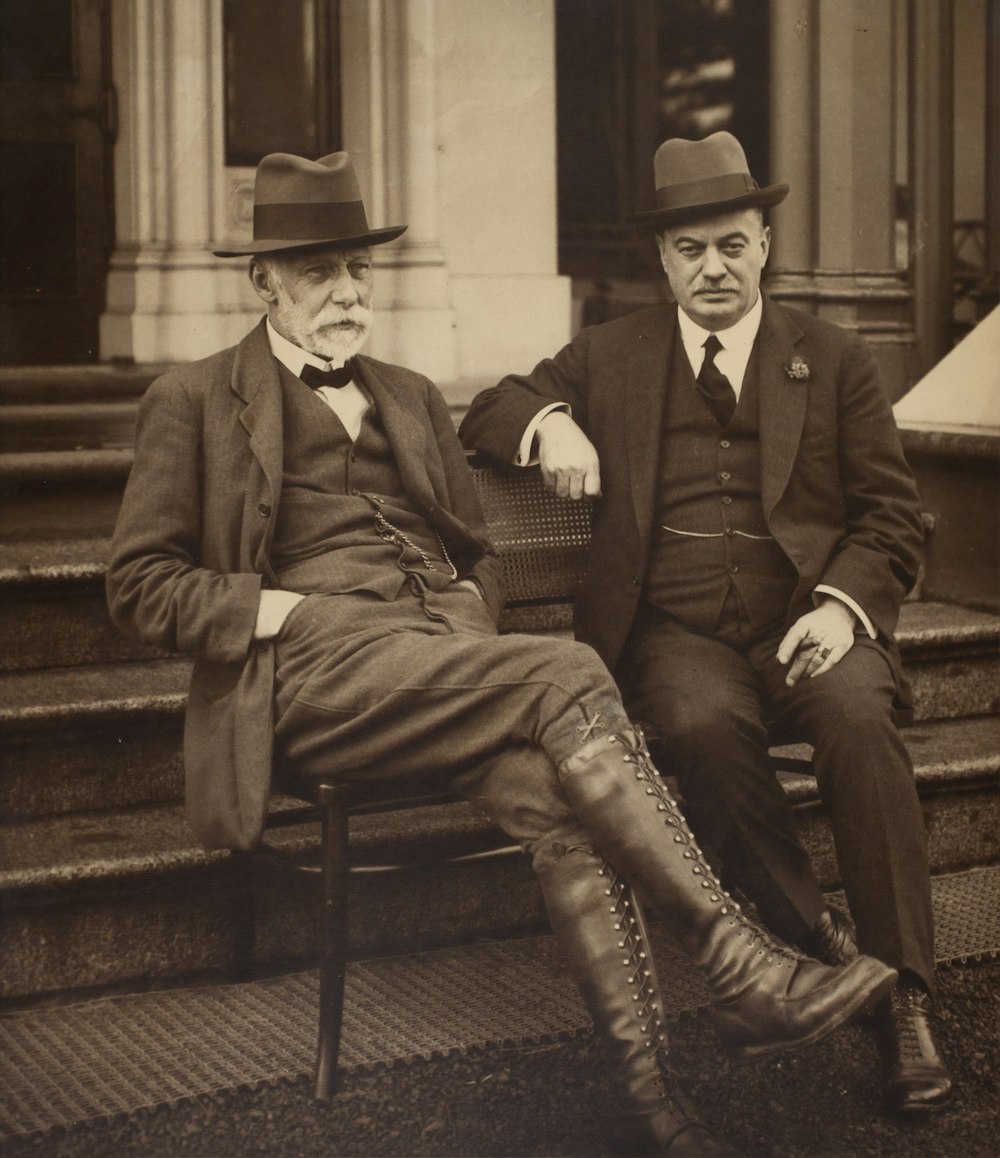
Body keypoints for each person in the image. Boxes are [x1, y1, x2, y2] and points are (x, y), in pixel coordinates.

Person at [107, 149, 895, 1158]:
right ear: (263, 283)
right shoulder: (194, 398)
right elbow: (138, 585)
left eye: (358, 272)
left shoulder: (407, 389)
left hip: (438, 665)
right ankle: (739, 964)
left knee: (547, 787)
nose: (347, 294)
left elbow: (475, 553)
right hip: (305, 672)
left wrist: (463, 634)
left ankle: (652, 1104)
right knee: (566, 668)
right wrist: (285, 612)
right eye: (319, 275)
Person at [460, 131, 953, 1117]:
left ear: (763, 243)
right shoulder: (613, 354)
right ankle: (819, 946)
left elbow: (893, 515)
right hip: (676, 632)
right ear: (661, 261)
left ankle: (903, 995)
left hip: (806, 620)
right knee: (693, 727)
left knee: (860, 722)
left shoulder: (834, 357)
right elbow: (488, 407)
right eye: (690, 251)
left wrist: (843, 606)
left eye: (730, 244)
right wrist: (549, 424)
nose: (712, 267)